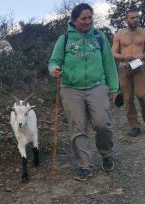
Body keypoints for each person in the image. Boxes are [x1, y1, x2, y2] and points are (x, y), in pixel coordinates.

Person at [48, 3, 119, 181]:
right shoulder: (64, 39)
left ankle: (106, 154)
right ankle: (84, 165)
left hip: (97, 86)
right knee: (77, 127)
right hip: (71, 88)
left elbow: (109, 64)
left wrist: (113, 87)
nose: (87, 22)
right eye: (83, 18)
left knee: (103, 124)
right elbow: (54, 61)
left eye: (89, 18)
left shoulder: (99, 37)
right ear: (73, 20)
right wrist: (54, 68)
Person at [112, 8, 145, 137]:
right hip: (124, 68)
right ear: (126, 19)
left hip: (140, 67)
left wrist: (141, 56)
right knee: (128, 99)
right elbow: (113, 53)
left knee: (142, 95)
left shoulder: (143, 32)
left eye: (137, 17)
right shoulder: (119, 34)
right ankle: (134, 126)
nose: (135, 19)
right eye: (132, 17)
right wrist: (123, 57)